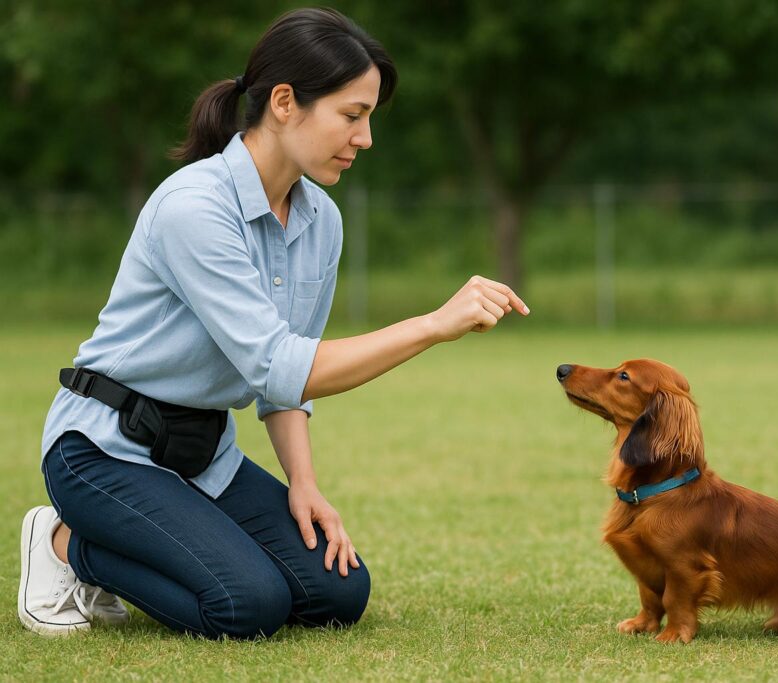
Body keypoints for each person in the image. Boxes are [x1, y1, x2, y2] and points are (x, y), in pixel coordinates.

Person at [18, 7, 528, 640]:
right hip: (103, 451)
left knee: (337, 593)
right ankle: (67, 544)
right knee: (247, 604)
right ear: (285, 102)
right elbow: (277, 363)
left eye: (368, 117)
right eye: (351, 115)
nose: (365, 137)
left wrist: (304, 484)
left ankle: (137, 540)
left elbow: (287, 380)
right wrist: (431, 325)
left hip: (202, 453)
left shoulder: (323, 221)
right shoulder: (193, 207)